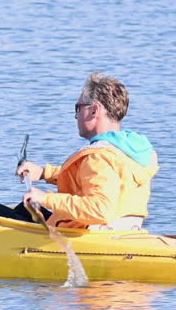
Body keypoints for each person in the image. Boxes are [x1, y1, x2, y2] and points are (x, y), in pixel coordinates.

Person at [15, 73, 158, 230]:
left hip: (87, 237)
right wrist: (44, 173)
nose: (76, 116)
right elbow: (94, 178)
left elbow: (100, 208)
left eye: (79, 108)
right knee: (22, 209)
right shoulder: (129, 150)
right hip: (123, 231)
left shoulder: (98, 157)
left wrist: (46, 198)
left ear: (94, 110)